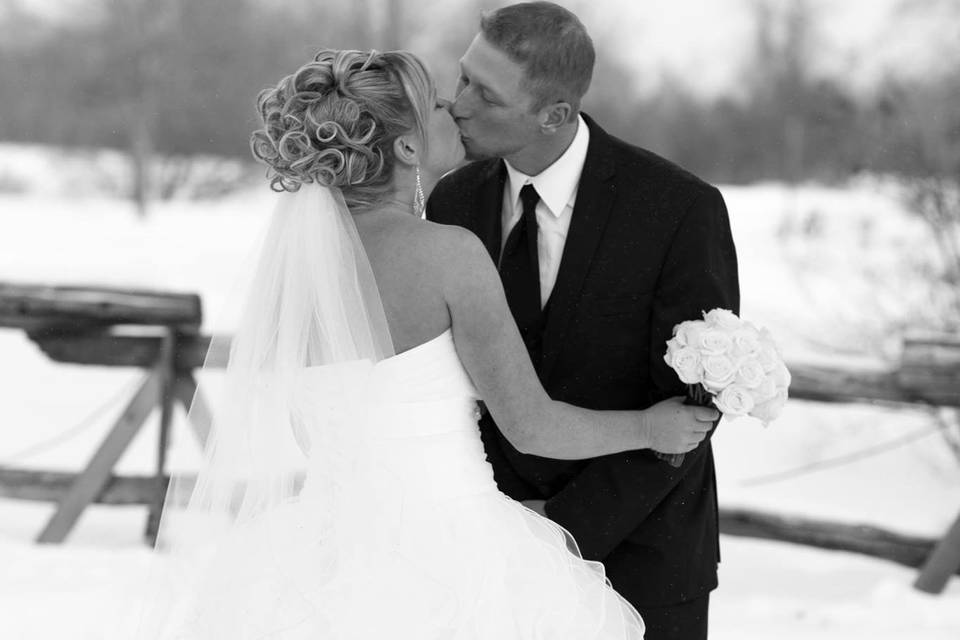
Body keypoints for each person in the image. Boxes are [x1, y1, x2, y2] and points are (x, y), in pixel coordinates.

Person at [125, 48, 718, 639]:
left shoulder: (292, 274)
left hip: (323, 555)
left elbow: (317, 421)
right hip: (451, 549)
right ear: (406, 148)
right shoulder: (448, 254)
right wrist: (647, 429)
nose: (451, 109)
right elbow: (533, 426)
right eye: (433, 106)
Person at [426, 4, 740, 640]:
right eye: (462, 79)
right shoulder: (451, 201)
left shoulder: (680, 209)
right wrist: (499, 519)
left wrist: (564, 524)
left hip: (642, 558)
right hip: (492, 555)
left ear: (555, 114)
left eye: (484, 93)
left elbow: (694, 408)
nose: (455, 104)